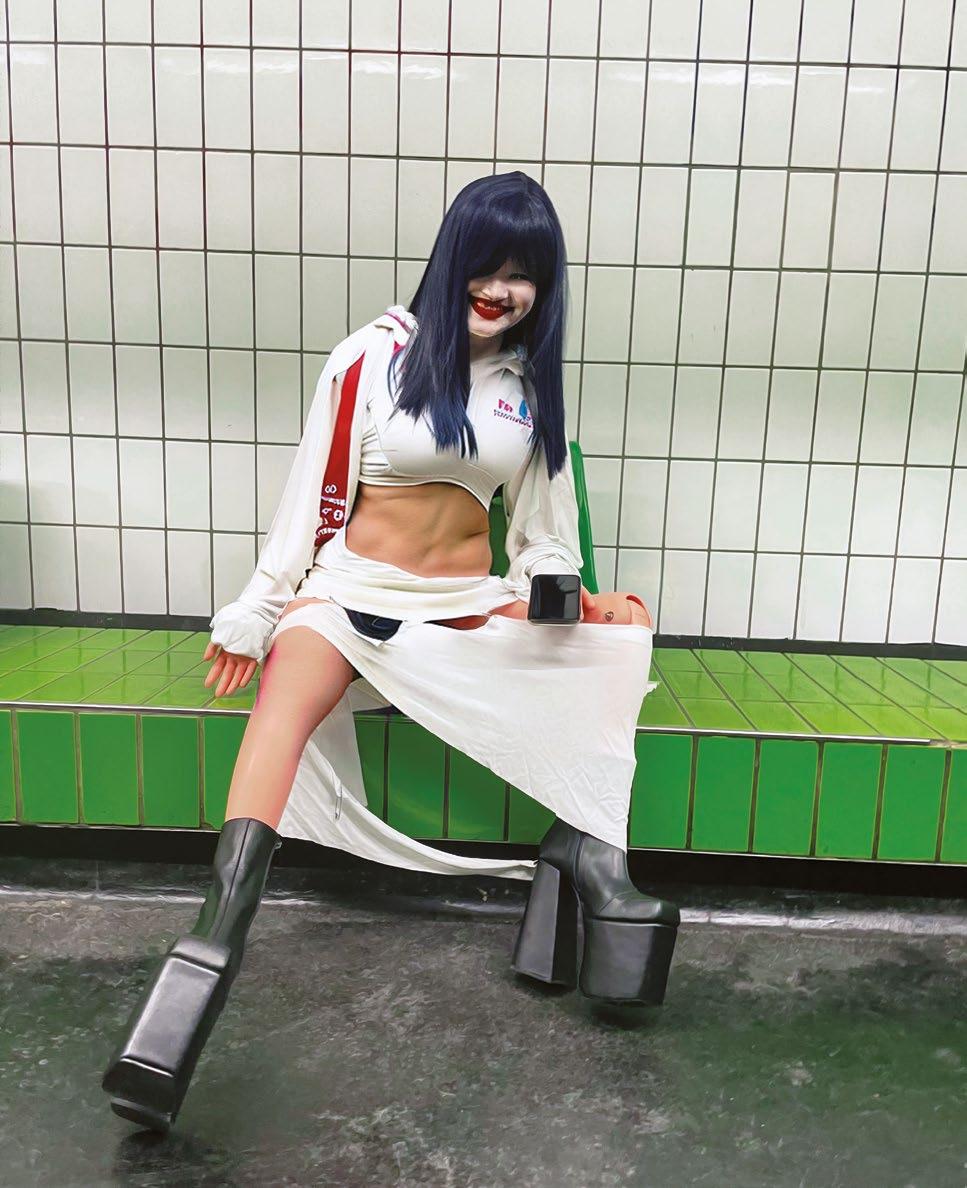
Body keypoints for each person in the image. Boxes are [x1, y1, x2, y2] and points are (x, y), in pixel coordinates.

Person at [101, 172, 679, 1133]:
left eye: (523, 275)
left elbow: (543, 534)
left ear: (543, 288)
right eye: (486, 266)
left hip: (459, 605)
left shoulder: (528, 393)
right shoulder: (374, 355)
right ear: (452, 261)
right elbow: (310, 495)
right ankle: (208, 949)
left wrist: (567, 590)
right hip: (351, 596)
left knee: (618, 645)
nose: (500, 289)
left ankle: (585, 852)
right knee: (280, 712)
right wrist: (257, 609)